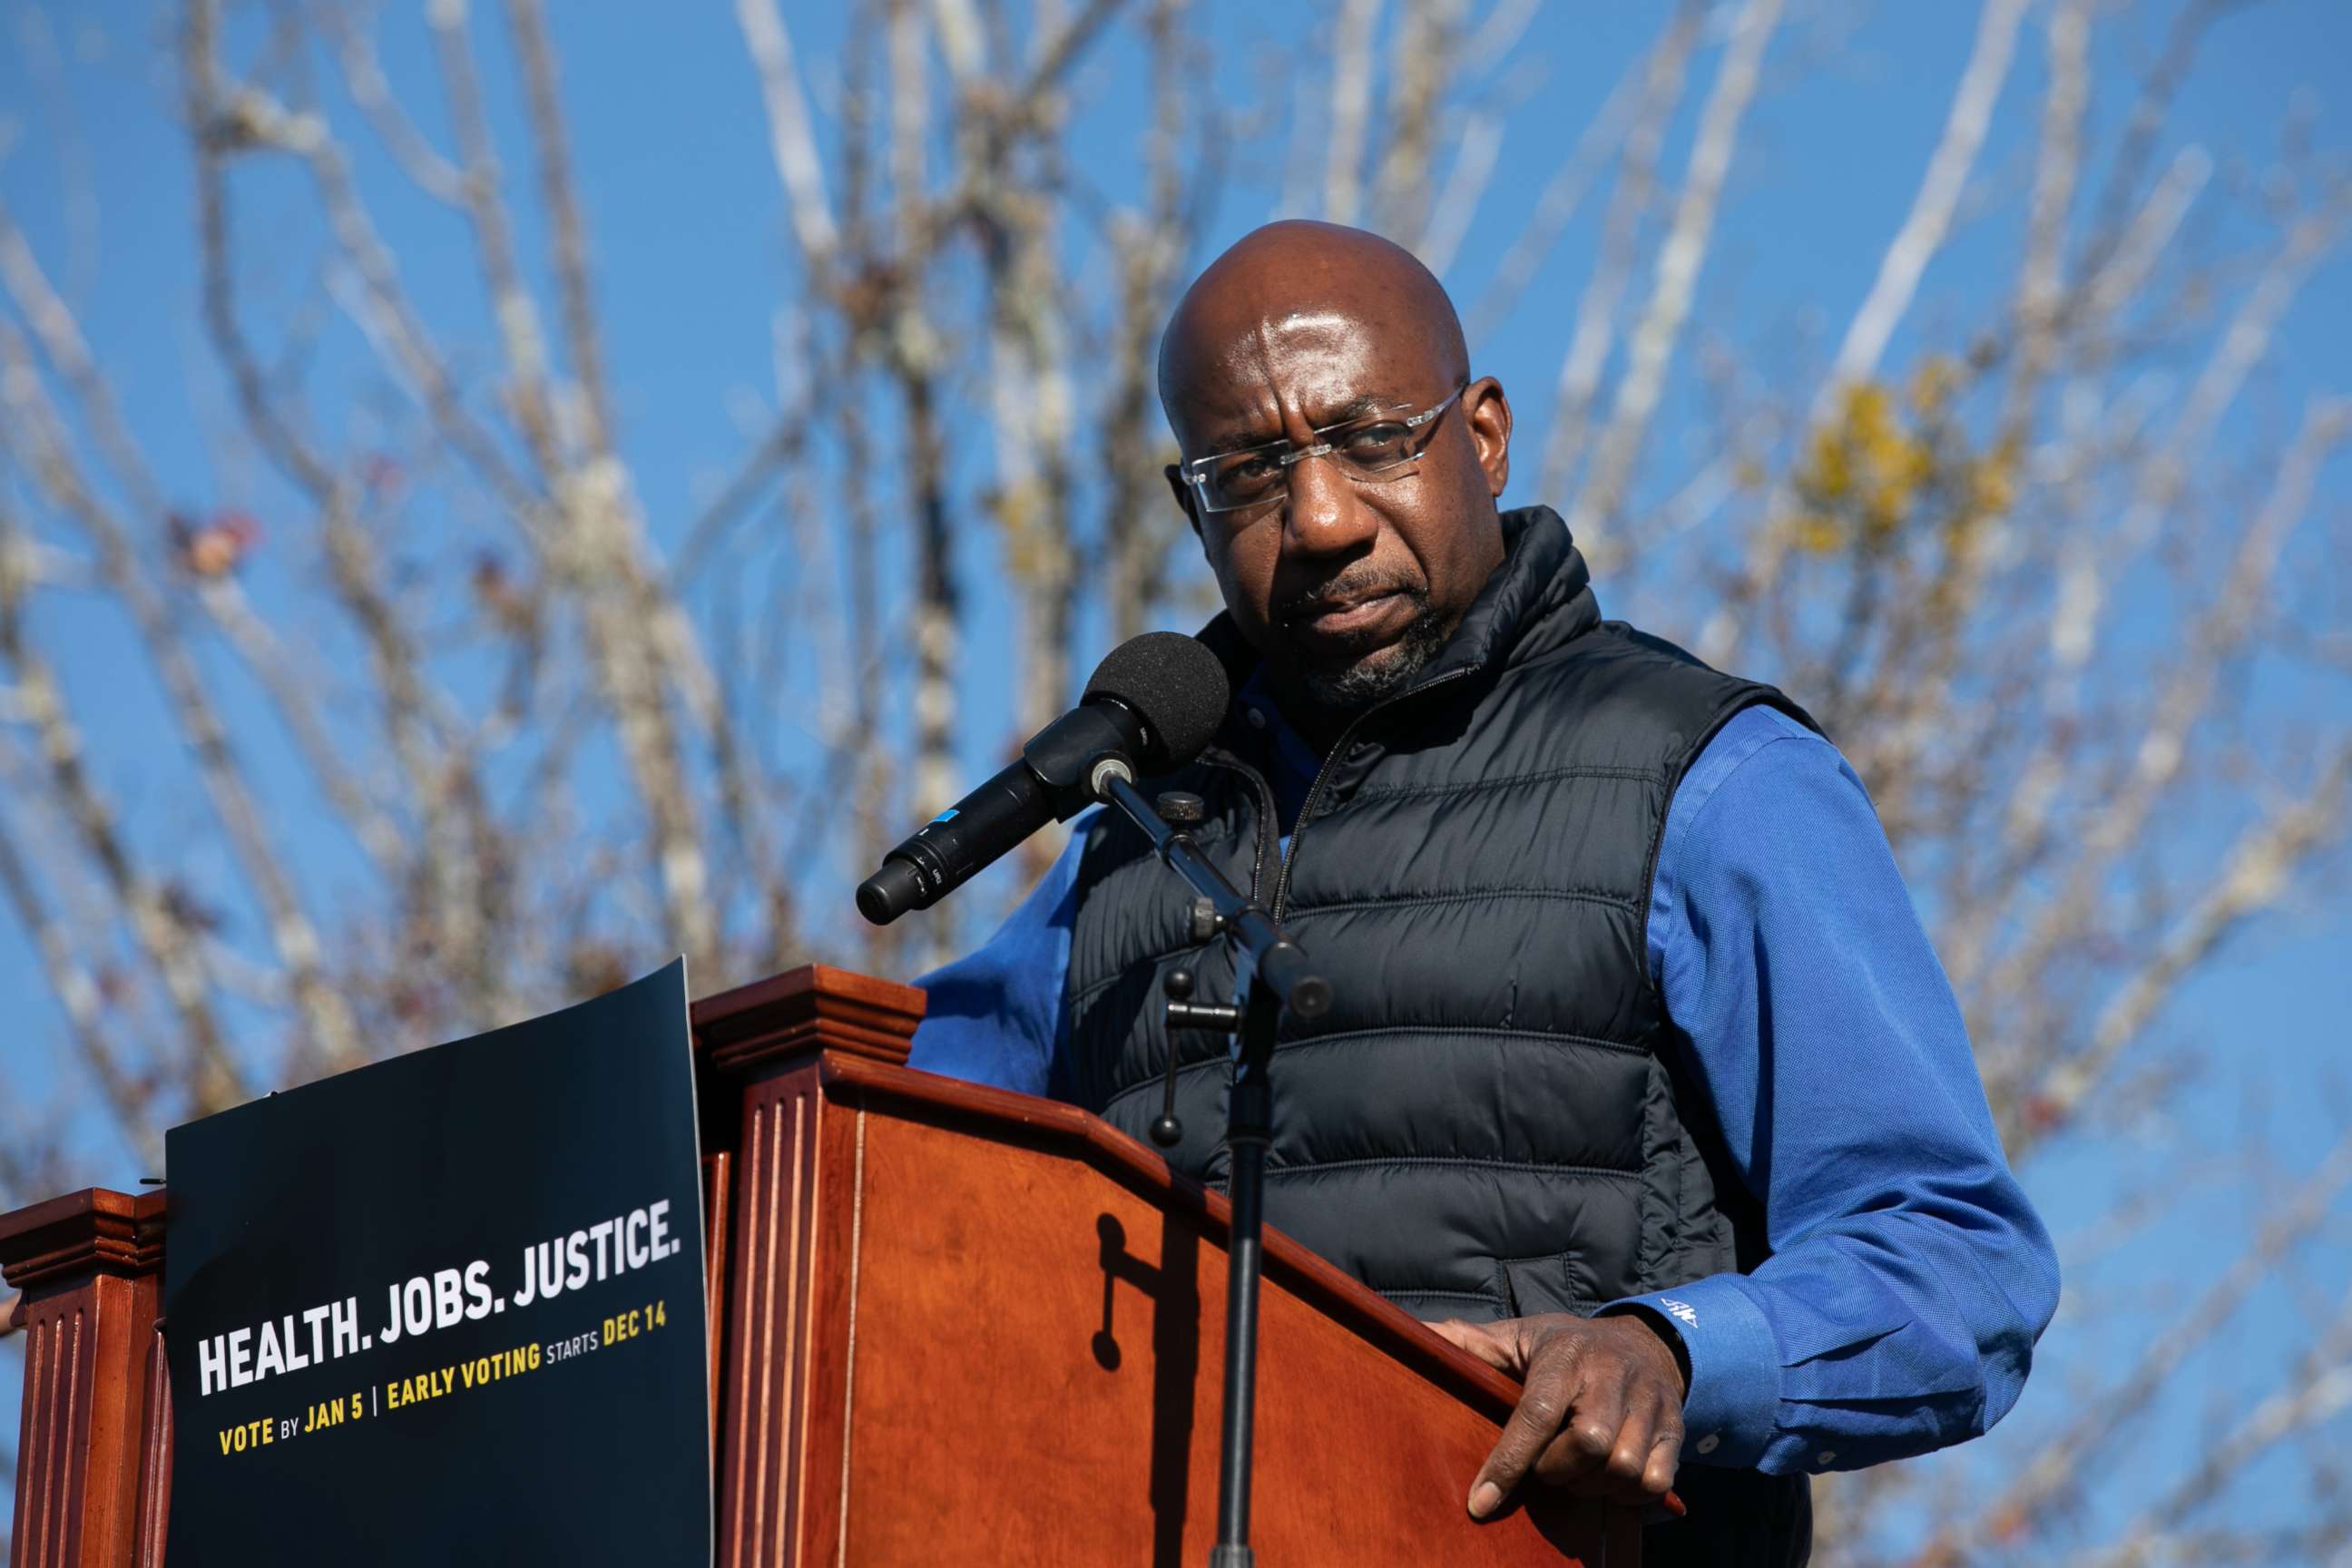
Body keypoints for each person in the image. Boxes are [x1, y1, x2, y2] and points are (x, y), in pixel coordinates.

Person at [908, 220, 2057, 1565]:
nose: (1324, 519)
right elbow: (888, 1151)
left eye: (1377, 438)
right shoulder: (1138, 835)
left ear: (1487, 435)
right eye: (1252, 473)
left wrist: (1674, 1356)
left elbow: (1957, 1267)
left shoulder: (1707, 776)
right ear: (1191, 511)